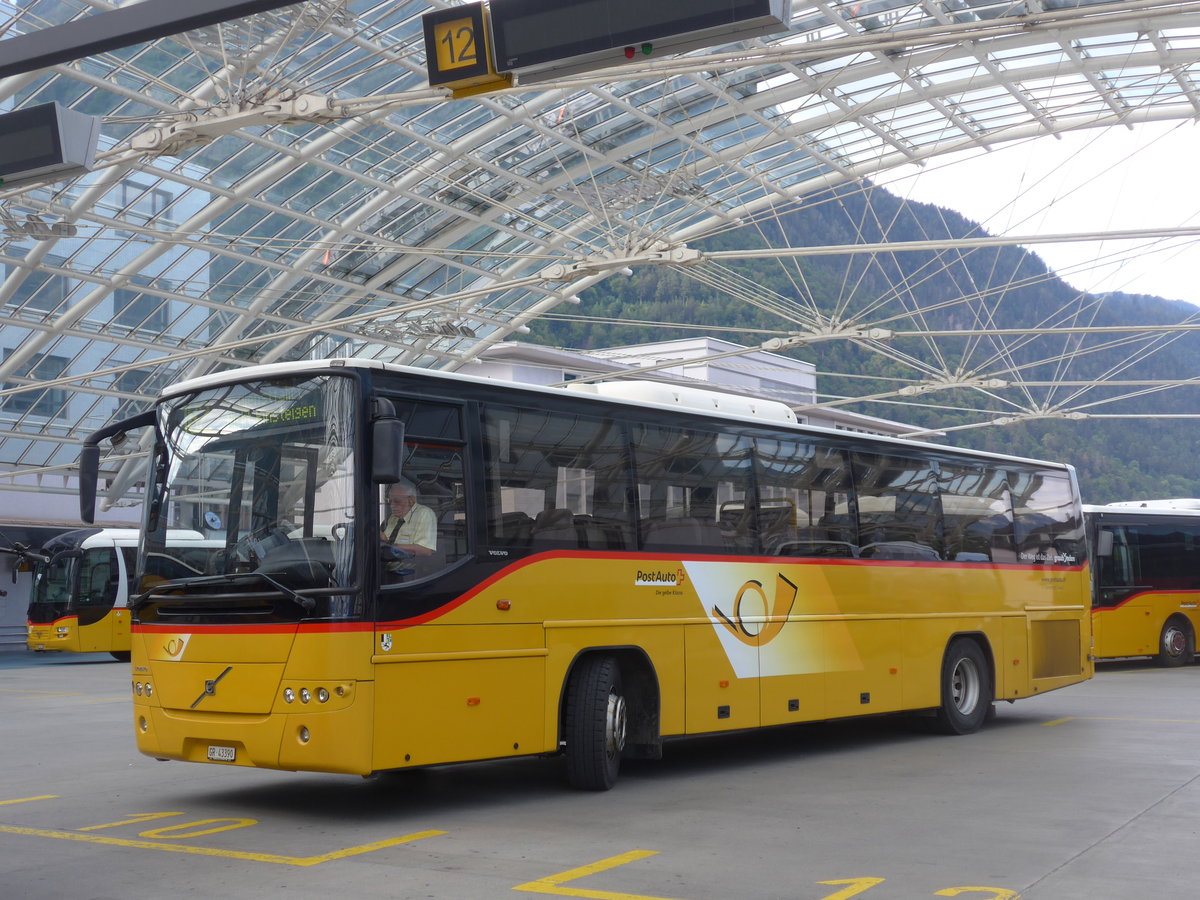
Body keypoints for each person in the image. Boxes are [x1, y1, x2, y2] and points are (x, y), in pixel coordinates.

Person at [380, 478, 436, 560]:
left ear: (411, 500)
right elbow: (386, 539)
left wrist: (394, 547)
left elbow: (426, 550)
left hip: (411, 564)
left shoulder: (424, 514)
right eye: (390, 501)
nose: (392, 505)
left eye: (397, 501)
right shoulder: (392, 517)